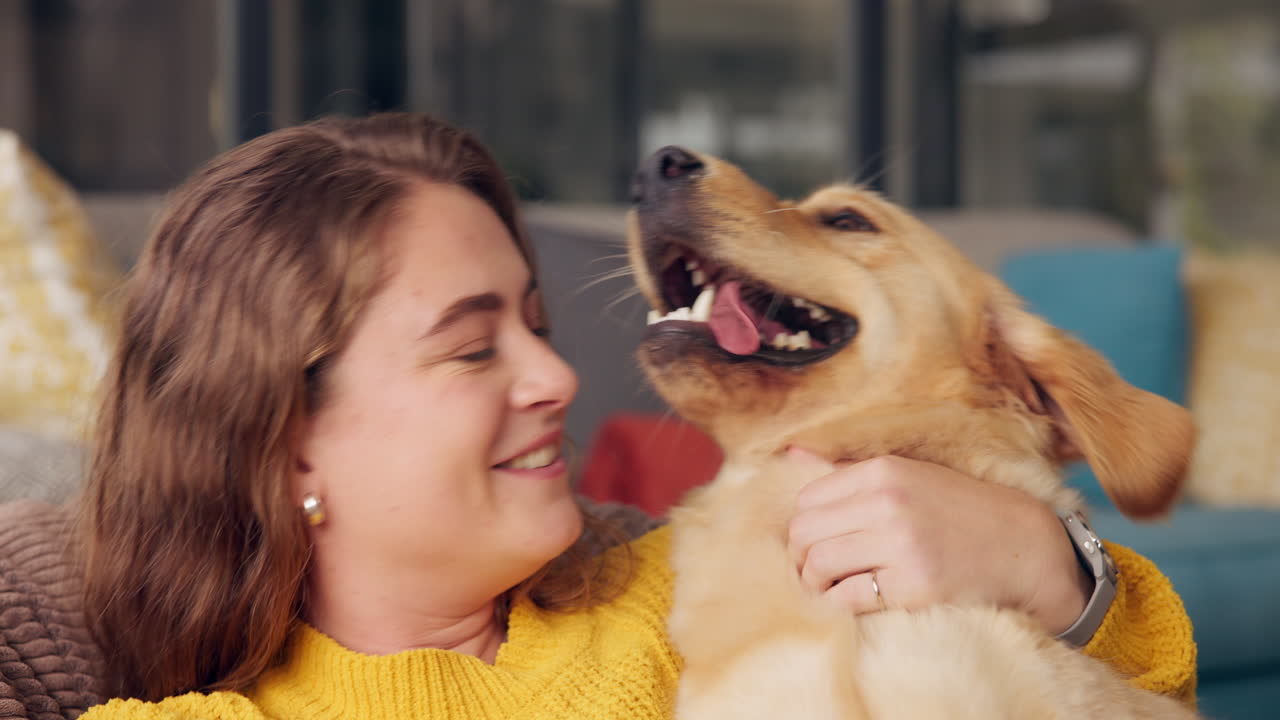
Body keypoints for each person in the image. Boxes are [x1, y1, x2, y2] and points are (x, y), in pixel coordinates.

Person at [78, 113, 1195, 719]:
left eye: (536, 324)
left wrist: (1055, 573)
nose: (559, 381)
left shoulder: (703, 584)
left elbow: (1136, 689)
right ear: (280, 445)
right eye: (472, 348)